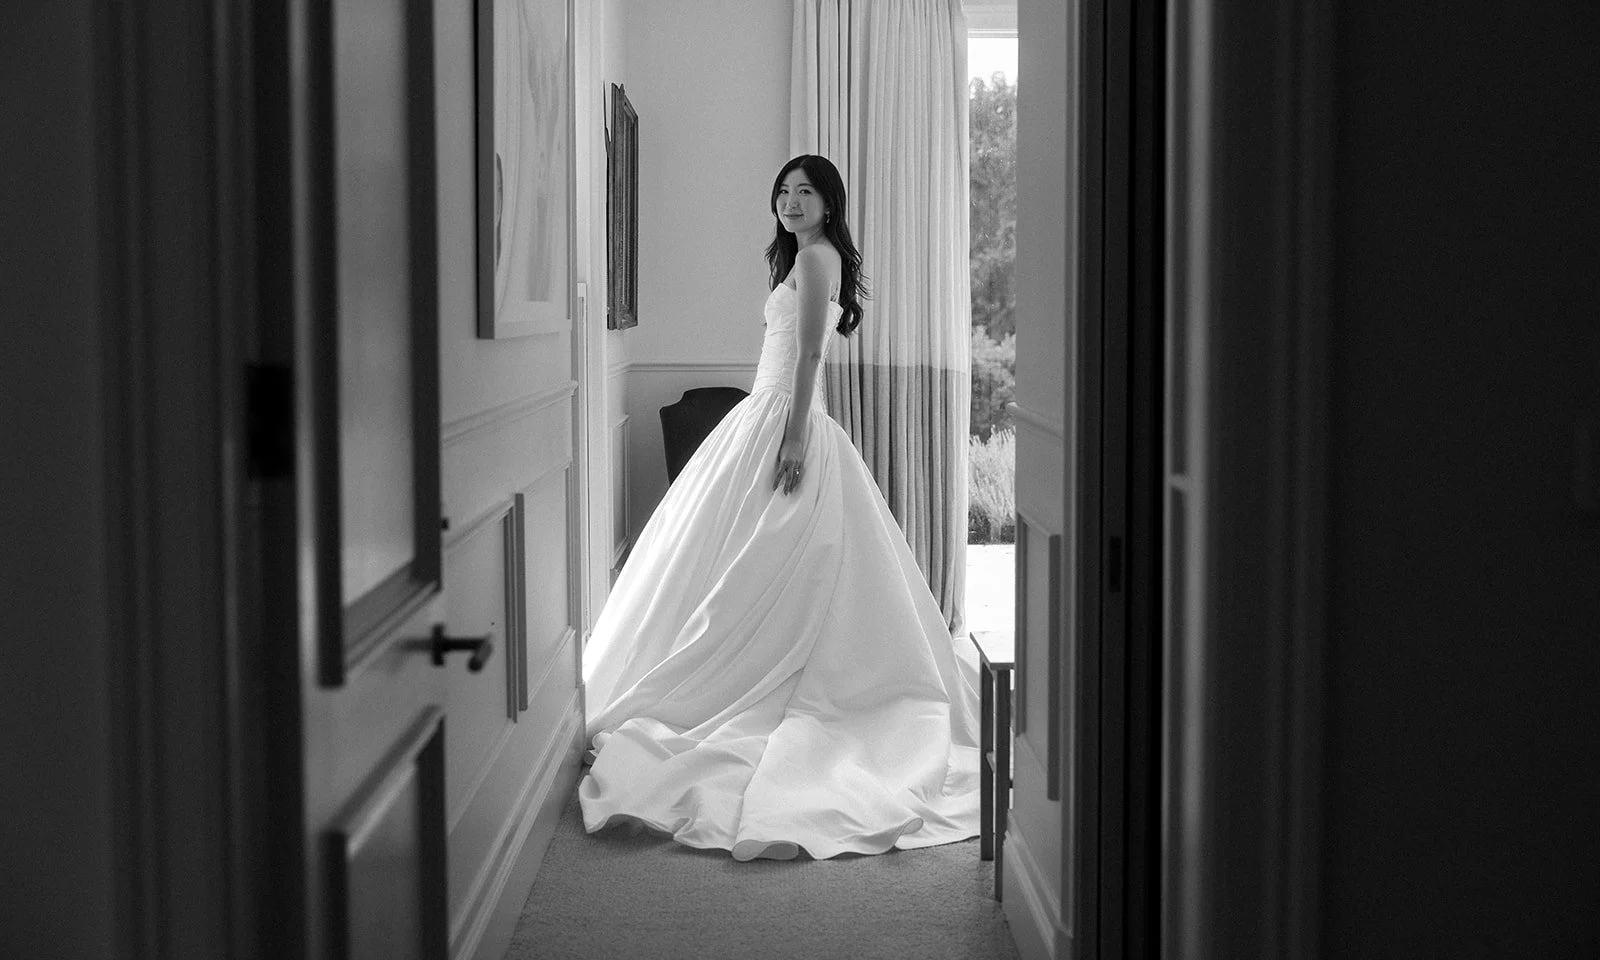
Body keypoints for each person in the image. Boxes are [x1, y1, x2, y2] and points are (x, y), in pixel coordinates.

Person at [578, 154, 979, 861]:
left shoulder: (818, 258)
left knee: (775, 558)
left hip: (784, 421)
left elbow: (809, 358)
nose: (791, 202)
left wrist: (794, 435)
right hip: (762, 415)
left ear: (829, 204)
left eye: (806, 192)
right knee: (712, 552)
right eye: (784, 192)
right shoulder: (801, 257)